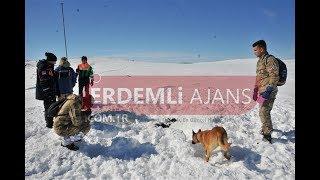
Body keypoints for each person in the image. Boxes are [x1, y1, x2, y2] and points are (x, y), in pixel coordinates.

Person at [252, 40, 280, 143]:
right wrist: (255, 89)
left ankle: (267, 134)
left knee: (264, 111)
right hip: (262, 90)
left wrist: (268, 90)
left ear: (262, 49)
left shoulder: (270, 60)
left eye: (255, 50)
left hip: (269, 91)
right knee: (263, 111)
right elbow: (259, 77)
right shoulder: (260, 61)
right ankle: (267, 127)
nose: (254, 52)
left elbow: (274, 76)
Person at [36, 52, 58, 128]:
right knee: (49, 107)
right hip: (47, 92)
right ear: (50, 60)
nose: (55, 63)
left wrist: (55, 74)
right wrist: (48, 93)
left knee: (53, 106)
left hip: (51, 90)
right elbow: (43, 81)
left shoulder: (49, 66)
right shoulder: (43, 67)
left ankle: (53, 122)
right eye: (54, 61)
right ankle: (49, 124)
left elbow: (51, 76)